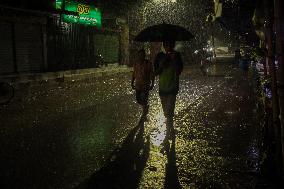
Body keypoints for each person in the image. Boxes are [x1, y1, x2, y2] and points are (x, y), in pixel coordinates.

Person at [154, 41, 183, 138]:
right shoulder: (160, 56)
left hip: (173, 87)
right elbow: (155, 72)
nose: (168, 47)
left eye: (170, 45)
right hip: (162, 87)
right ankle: (171, 128)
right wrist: (162, 65)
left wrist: (173, 60)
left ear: (173, 45)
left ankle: (168, 132)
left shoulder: (177, 55)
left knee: (169, 109)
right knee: (167, 112)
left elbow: (178, 71)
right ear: (164, 45)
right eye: (166, 45)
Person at [131, 49, 155, 116]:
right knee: (138, 100)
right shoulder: (136, 64)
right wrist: (132, 83)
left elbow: (152, 74)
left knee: (144, 99)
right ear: (138, 56)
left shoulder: (148, 63)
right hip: (138, 85)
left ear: (144, 56)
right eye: (140, 55)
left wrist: (152, 84)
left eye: (142, 55)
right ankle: (145, 108)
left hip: (145, 85)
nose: (141, 56)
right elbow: (134, 74)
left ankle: (144, 114)